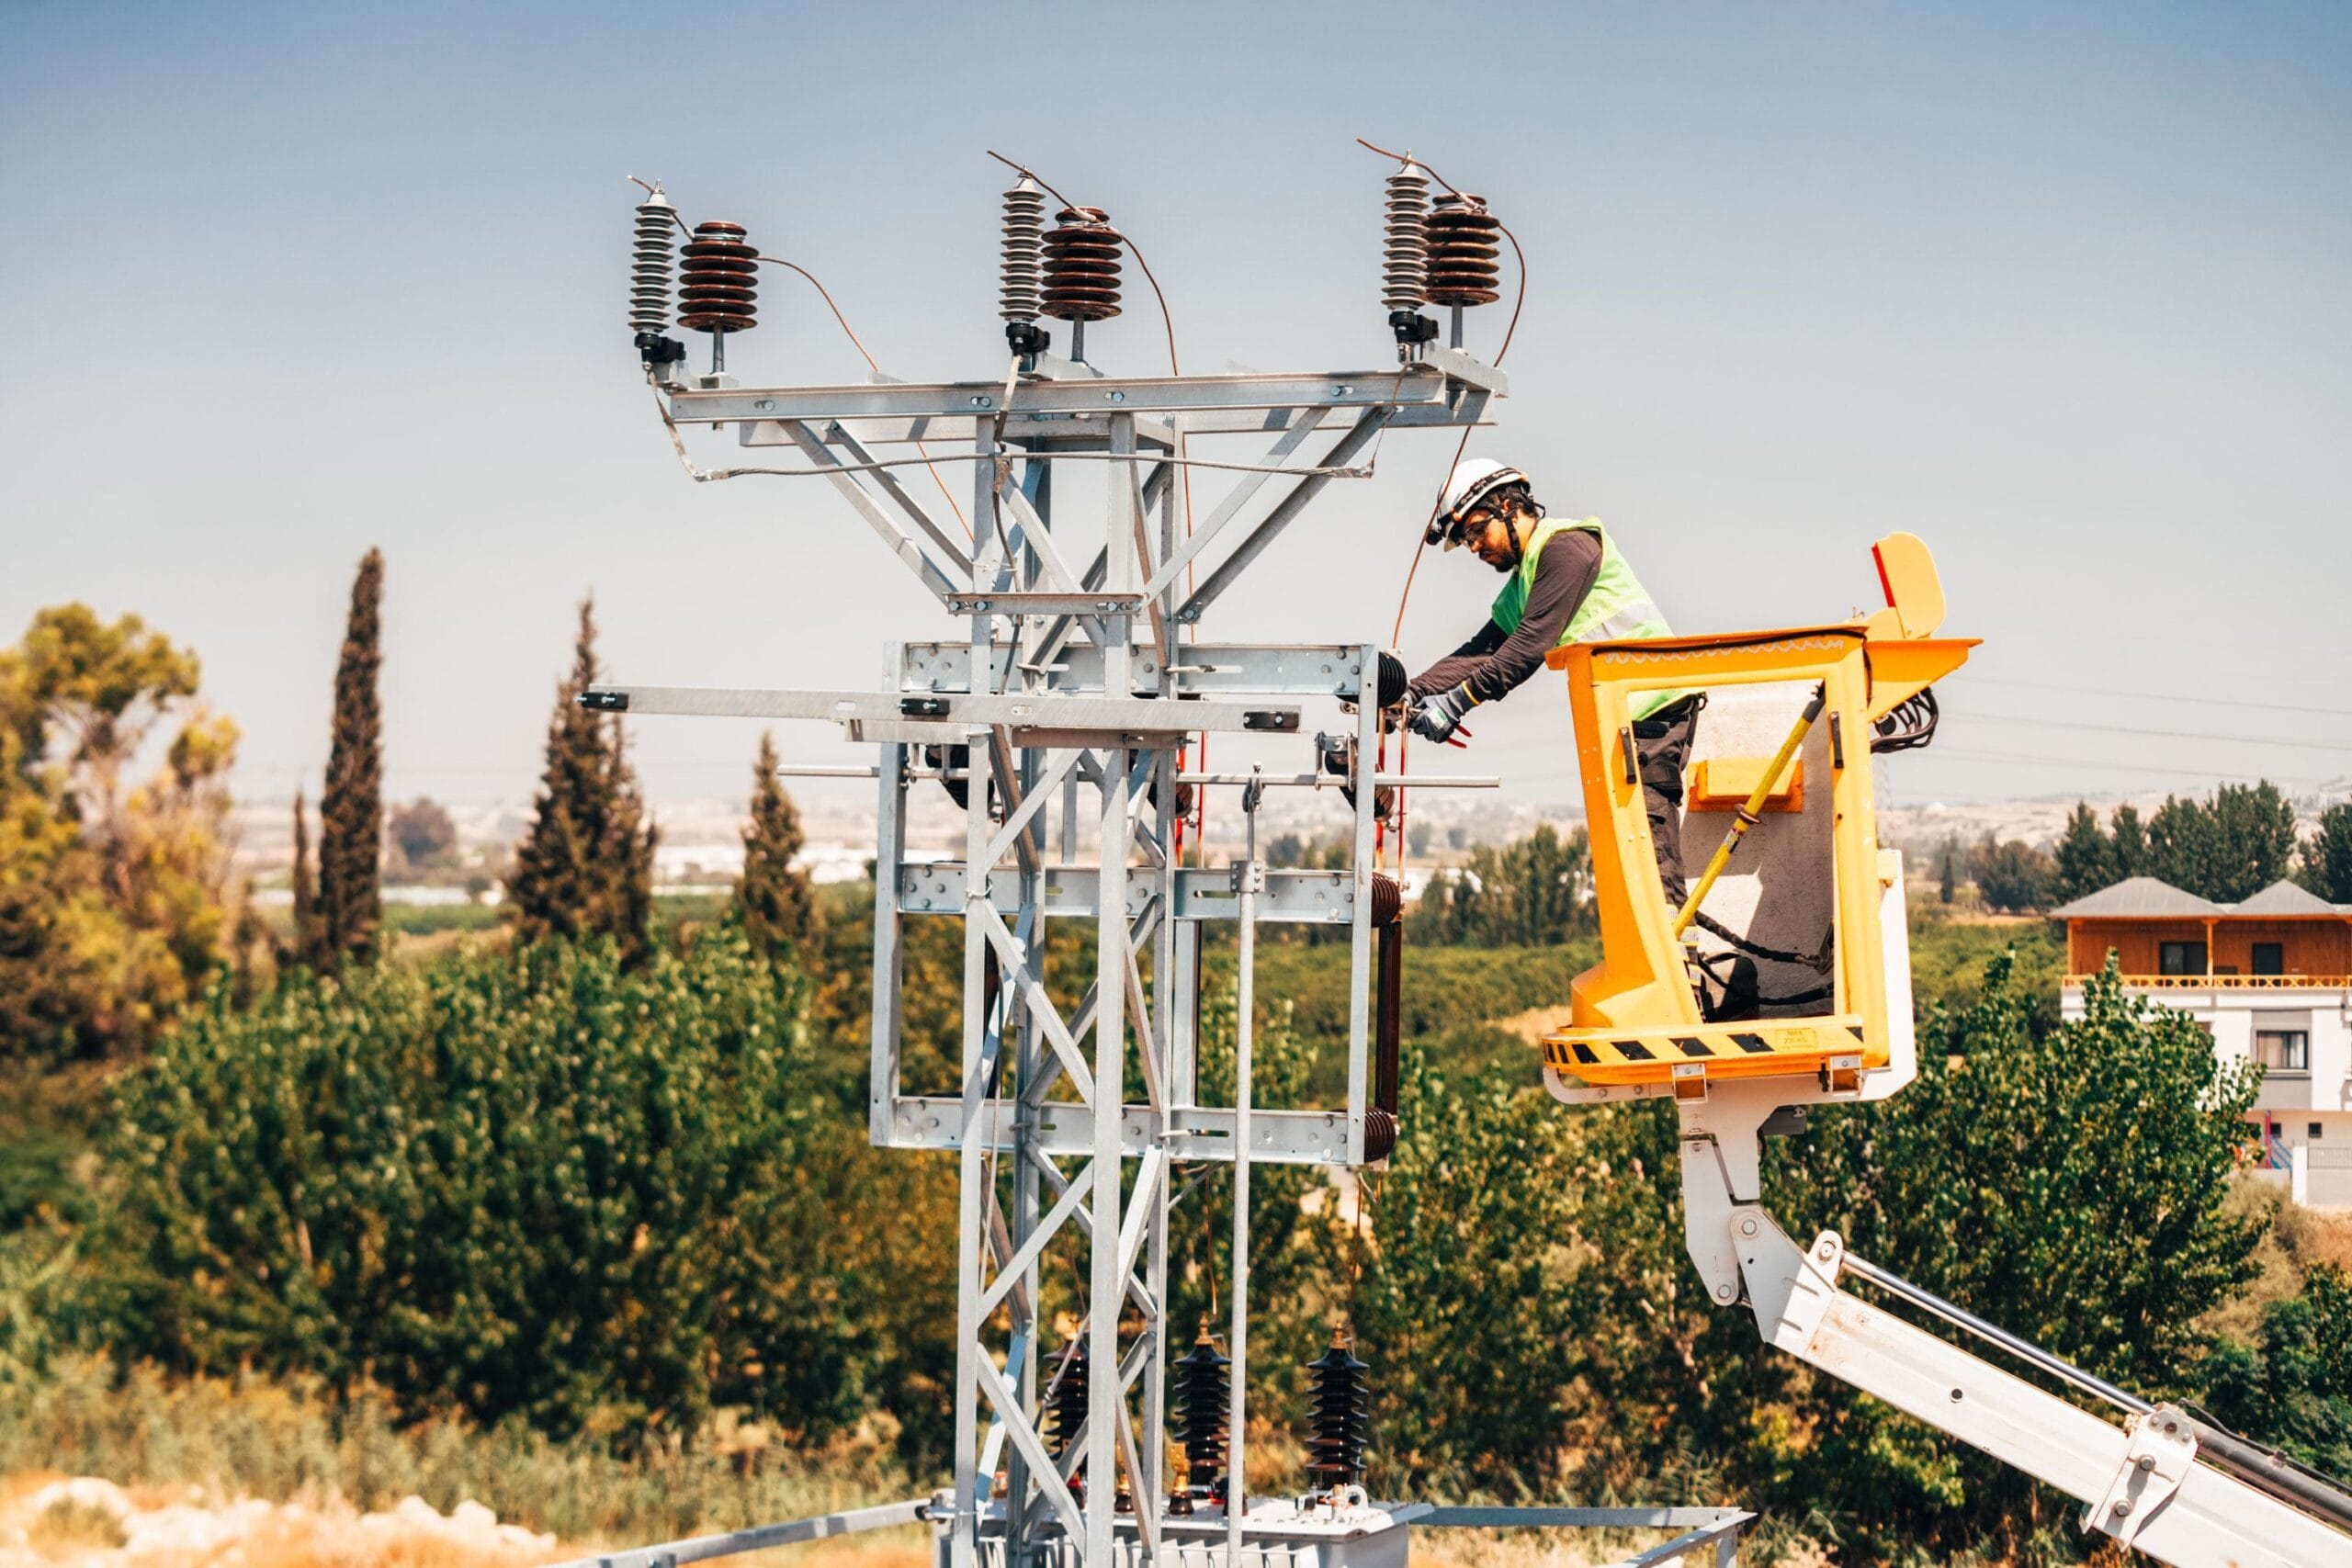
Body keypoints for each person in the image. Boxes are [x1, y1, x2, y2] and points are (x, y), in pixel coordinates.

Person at [1407, 458, 1702, 907]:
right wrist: (1410, 691)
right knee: (1630, 854)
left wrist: (1457, 703)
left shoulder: (1568, 548)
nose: (1472, 548)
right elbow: (1481, 651)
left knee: (1649, 846)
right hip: (1622, 720)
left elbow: (1528, 645)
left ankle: (1681, 964)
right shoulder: (1526, 580)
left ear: (1507, 506)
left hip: (1655, 711)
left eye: (1474, 532)